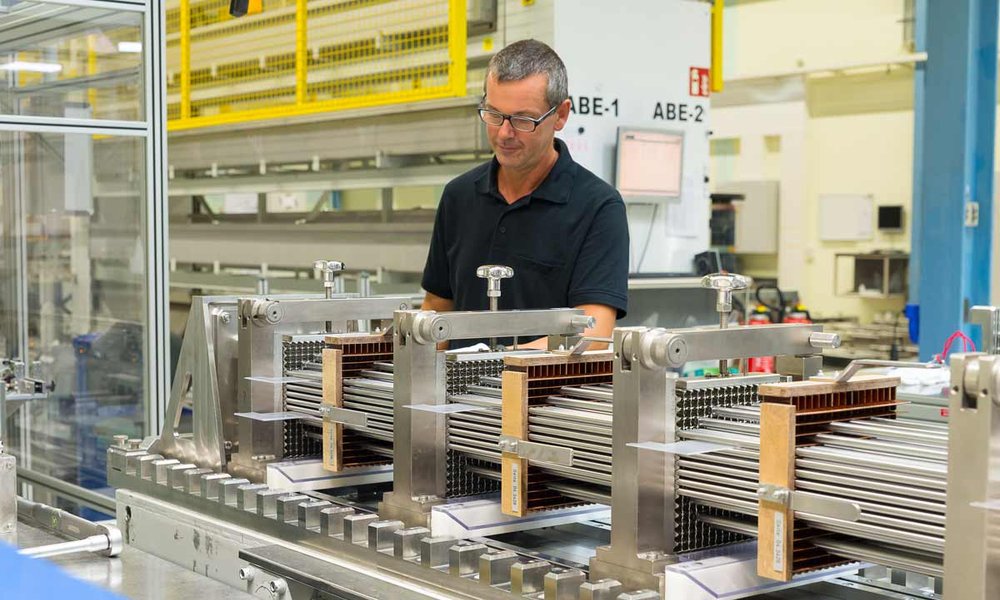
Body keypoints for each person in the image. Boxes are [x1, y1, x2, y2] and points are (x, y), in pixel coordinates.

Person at [420, 39, 629, 348]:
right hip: (456, 393)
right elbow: (437, 308)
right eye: (493, 114)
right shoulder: (459, 196)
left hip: (548, 394)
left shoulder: (598, 207)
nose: (504, 133)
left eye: (522, 120)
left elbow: (593, 333)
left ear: (560, 115)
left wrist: (494, 366)